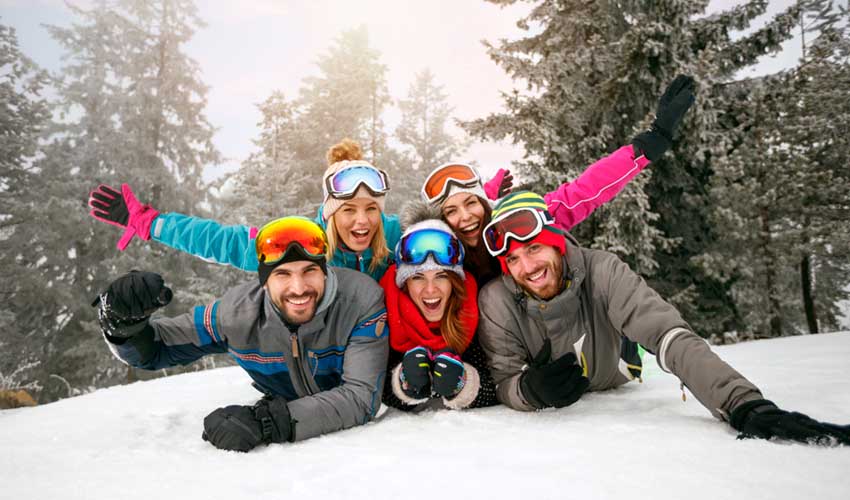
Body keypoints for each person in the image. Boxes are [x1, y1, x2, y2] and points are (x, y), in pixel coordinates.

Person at [475, 191, 850, 445]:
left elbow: (667, 334)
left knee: (645, 337)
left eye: (534, 249)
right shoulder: (497, 299)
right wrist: (529, 391)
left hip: (616, 372)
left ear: (557, 243)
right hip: (563, 396)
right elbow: (506, 379)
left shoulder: (602, 270)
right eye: (512, 259)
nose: (526, 267)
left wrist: (742, 404)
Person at [92, 216, 390, 451]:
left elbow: (361, 397)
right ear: (264, 281)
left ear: (324, 271)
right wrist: (123, 326)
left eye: (309, 271)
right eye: (283, 274)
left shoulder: (360, 302)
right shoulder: (237, 315)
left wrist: (270, 422)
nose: (298, 288)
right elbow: (157, 349)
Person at [421, 75, 697, 287]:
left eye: (471, 203)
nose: (465, 217)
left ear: (484, 203)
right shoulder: (431, 253)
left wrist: (647, 145)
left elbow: (583, 192)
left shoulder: (521, 223)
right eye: (451, 211)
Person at [88, 140, 403, 281]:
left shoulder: (396, 236)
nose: (362, 221)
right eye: (348, 210)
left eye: (371, 209)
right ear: (330, 212)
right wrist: (152, 223)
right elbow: (226, 242)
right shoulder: (301, 241)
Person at [378, 210, 498, 411]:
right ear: (405, 284)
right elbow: (375, 385)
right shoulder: (387, 311)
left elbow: (496, 383)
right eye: (418, 277)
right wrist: (403, 383)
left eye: (441, 276)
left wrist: (463, 384)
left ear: (454, 282)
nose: (430, 289)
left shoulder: (469, 310)